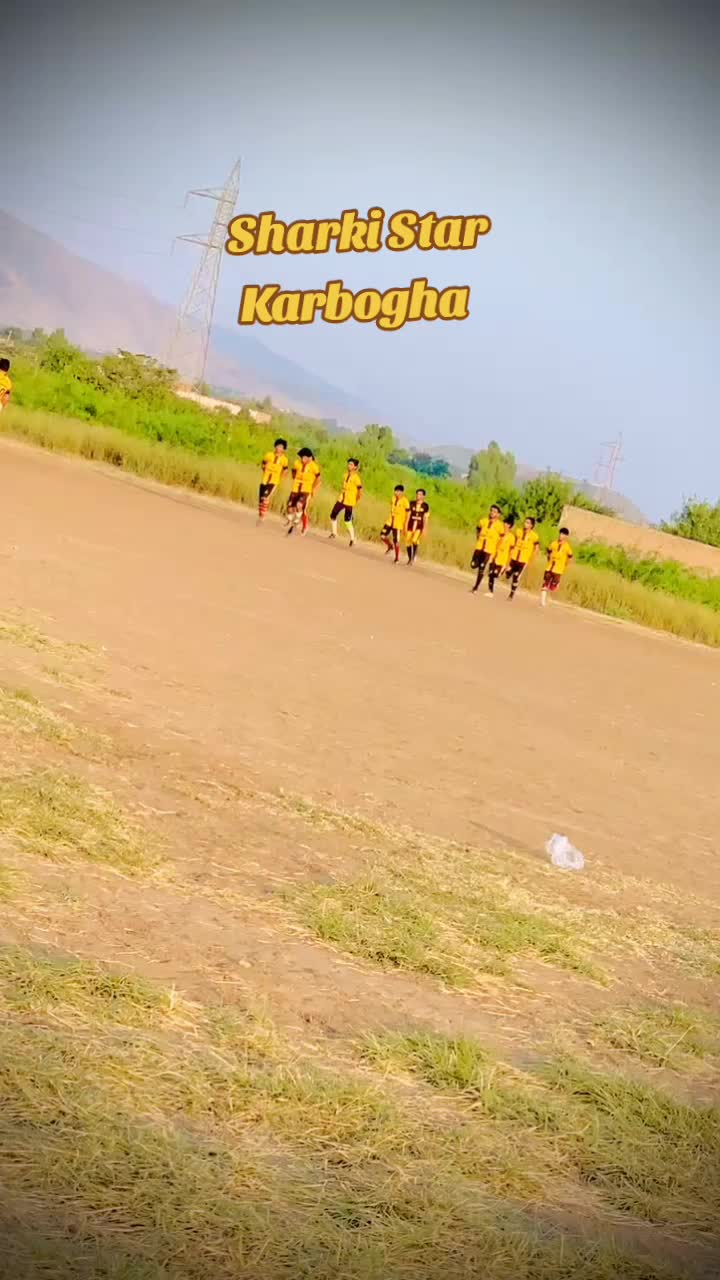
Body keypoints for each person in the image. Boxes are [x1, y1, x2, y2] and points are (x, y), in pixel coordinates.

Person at [287, 447, 321, 535]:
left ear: (310, 458)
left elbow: (318, 480)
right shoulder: (297, 463)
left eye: (305, 457)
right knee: (290, 507)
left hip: (306, 490)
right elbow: (293, 472)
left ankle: (303, 526)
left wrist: (313, 491)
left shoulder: (314, 467)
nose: (303, 459)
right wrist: (296, 479)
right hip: (296, 488)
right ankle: (291, 521)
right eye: (302, 457)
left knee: (301, 507)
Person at [471, 504, 504, 592]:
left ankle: (476, 587)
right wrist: (478, 537)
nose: (492, 513)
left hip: (489, 549)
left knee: (482, 567)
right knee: (473, 565)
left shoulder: (500, 525)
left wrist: (497, 548)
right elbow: (478, 529)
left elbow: (501, 538)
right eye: (491, 510)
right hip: (479, 546)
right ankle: (479, 568)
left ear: (498, 514)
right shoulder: (483, 521)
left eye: (494, 512)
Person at [329, 458, 362, 546]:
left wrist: (356, 500)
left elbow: (360, 491)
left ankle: (352, 539)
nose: (349, 466)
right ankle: (334, 533)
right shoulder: (345, 475)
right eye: (348, 464)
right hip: (342, 498)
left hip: (350, 501)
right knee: (333, 514)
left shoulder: (356, 478)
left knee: (347, 520)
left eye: (351, 464)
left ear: (355, 467)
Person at [506, 516, 539, 600]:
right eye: (525, 522)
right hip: (514, 557)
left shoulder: (534, 536)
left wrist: (532, 557)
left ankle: (511, 594)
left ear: (531, 525)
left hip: (523, 559)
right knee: (508, 573)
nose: (525, 524)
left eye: (528, 523)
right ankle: (509, 573)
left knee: (516, 576)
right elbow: (513, 541)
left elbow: (536, 548)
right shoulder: (518, 531)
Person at [541, 526, 574, 606]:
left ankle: (555, 584)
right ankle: (542, 602)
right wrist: (549, 559)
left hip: (558, 570)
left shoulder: (567, 547)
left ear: (566, 536)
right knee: (545, 584)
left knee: (553, 587)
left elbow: (570, 557)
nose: (561, 536)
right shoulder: (553, 543)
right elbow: (549, 552)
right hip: (549, 567)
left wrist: (565, 565)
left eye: (563, 534)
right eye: (560, 534)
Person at [258, 438, 288, 521]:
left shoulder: (284, 459)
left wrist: (280, 477)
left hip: (274, 481)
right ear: (275, 446)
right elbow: (263, 464)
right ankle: (261, 513)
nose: (279, 448)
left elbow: (285, 470)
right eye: (278, 446)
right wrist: (265, 470)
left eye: (281, 447)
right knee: (261, 499)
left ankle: (263, 515)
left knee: (265, 497)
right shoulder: (269, 455)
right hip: (265, 479)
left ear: (283, 449)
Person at [380, 484, 411, 563]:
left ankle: (397, 558)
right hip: (390, 520)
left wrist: (405, 524)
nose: (396, 493)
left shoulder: (405, 501)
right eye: (395, 491)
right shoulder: (393, 498)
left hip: (398, 523)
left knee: (396, 541)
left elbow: (408, 513)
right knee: (382, 536)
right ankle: (390, 546)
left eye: (398, 491)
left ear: (401, 492)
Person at [486, 517, 515, 597]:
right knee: (490, 574)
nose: (504, 525)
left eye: (506, 523)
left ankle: (507, 572)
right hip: (495, 557)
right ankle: (490, 591)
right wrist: (491, 556)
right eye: (504, 523)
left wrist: (508, 564)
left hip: (503, 560)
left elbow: (511, 551)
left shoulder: (511, 537)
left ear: (509, 525)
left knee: (495, 574)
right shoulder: (500, 534)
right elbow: (495, 545)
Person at [405, 488, 430, 564]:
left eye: (419, 494)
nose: (418, 496)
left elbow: (425, 518)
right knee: (408, 542)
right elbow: (408, 515)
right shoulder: (411, 503)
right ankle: (410, 559)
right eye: (417, 494)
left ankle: (414, 555)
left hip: (419, 526)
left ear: (423, 496)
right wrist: (405, 525)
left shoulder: (426, 506)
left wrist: (425, 528)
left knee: (414, 540)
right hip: (411, 525)